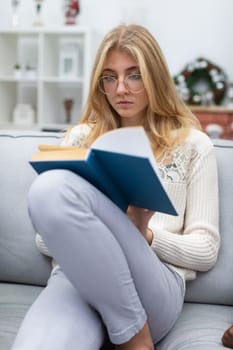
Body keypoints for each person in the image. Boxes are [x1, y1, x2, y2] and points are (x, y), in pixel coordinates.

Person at [12, 24, 220, 350]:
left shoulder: (194, 145)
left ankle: (134, 335)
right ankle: (133, 338)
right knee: (48, 189)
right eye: (110, 77)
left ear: (155, 78)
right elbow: (44, 237)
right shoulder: (79, 138)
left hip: (152, 285)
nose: (121, 88)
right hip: (76, 282)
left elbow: (206, 250)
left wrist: (143, 233)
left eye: (134, 75)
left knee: (53, 187)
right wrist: (104, 229)